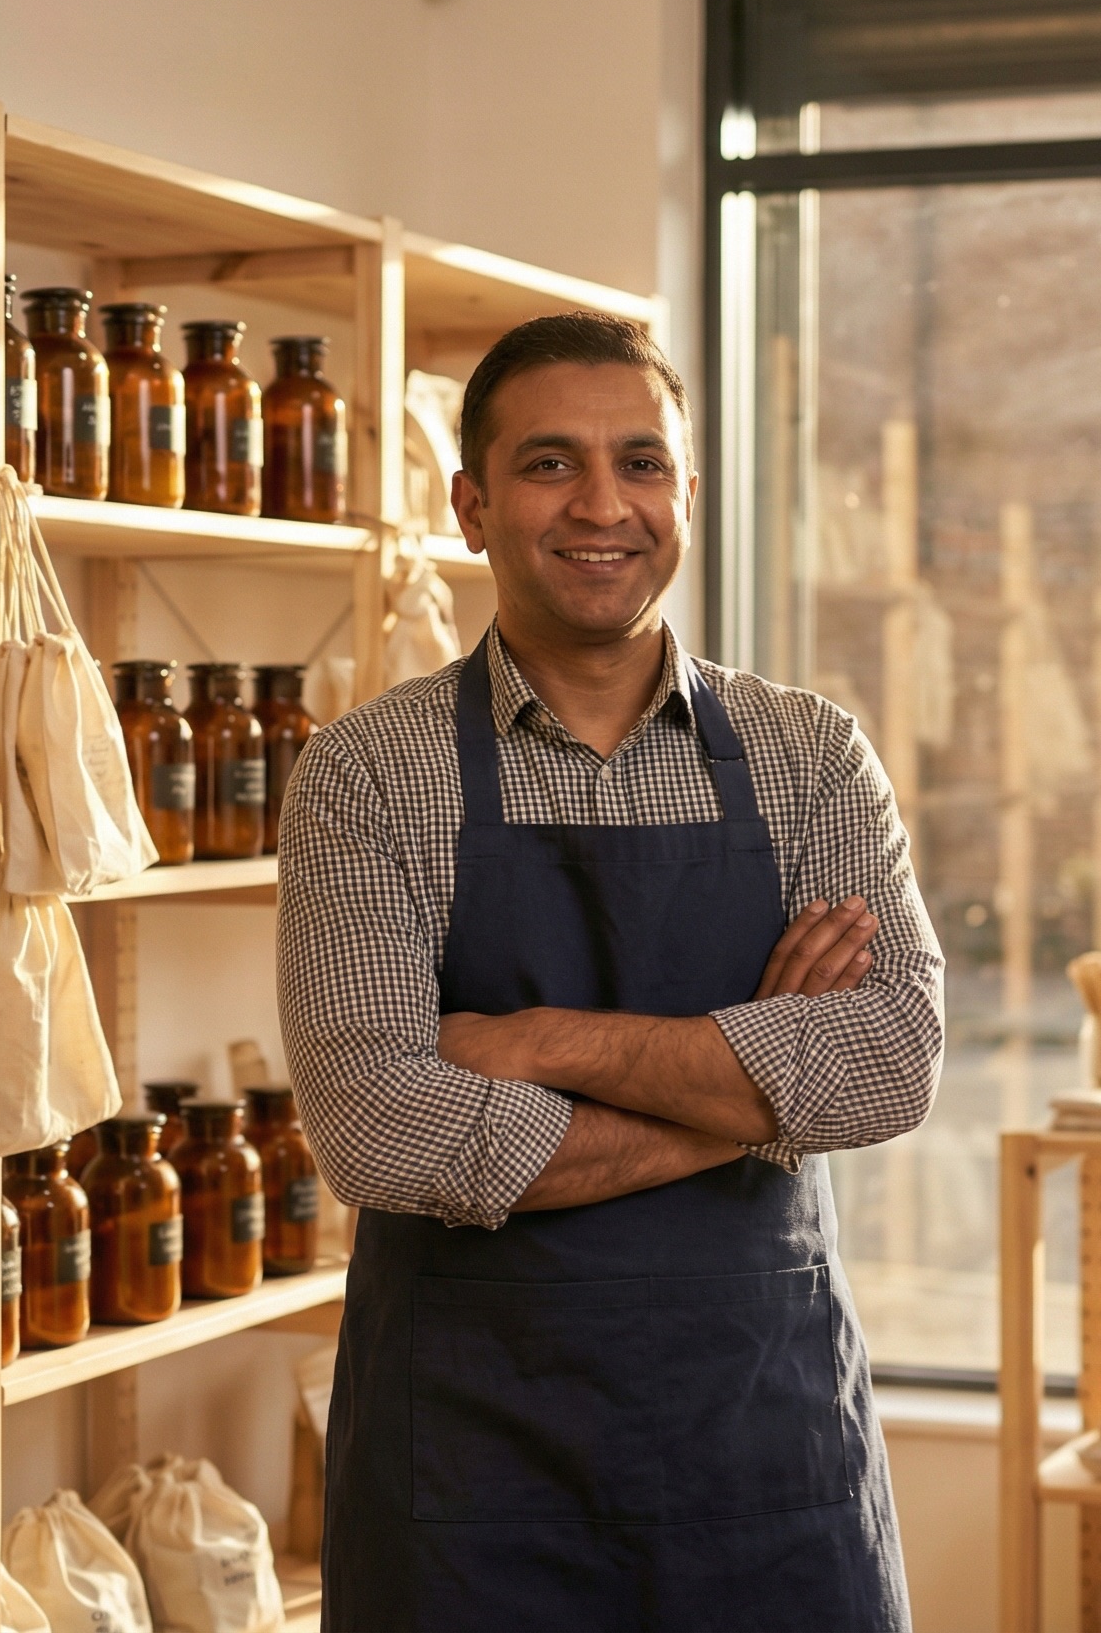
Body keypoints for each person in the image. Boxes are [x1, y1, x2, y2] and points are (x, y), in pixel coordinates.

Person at [278, 311, 942, 1632]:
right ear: (471, 505)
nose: (602, 505)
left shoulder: (810, 755)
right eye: (549, 464)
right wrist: (760, 1088)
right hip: (469, 1481)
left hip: (766, 1454)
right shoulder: (368, 773)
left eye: (640, 463)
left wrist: (536, 1041)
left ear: (686, 495)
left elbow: (889, 1063)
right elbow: (378, 1129)